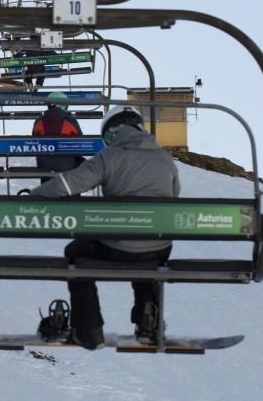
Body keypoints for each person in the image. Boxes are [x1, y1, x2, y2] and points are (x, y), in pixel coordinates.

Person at [29, 104, 180, 350]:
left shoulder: (111, 156)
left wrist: (35, 196)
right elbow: (174, 198)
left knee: (75, 253)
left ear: (112, 134)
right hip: (157, 248)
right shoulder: (164, 158)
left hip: (117, 246)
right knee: (150, 257)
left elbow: (69, 184)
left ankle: (88, 328)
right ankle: (148, 321)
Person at [30, 92, 84, 176]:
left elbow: (33, 142)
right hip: (67, 164)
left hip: (44, 164)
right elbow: (81, 143)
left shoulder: (39, 121)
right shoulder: (70, 121)